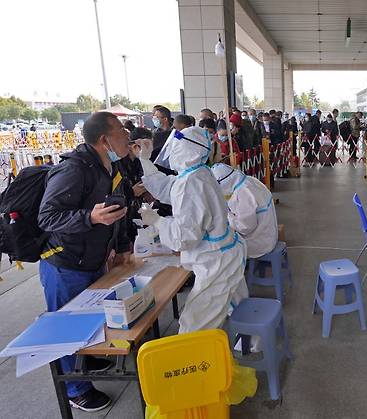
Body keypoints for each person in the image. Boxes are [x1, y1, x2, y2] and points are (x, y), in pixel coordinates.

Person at [38, 112, 132, 411]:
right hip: (64, 263)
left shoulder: (109, 167)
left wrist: (121, 247)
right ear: (104, 140)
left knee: (89, 318)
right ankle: (75, 388)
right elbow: (47, 217)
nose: (127, 134)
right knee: (67, 326)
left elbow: (116, 213)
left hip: (93, 258)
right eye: (120, 130)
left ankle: (86, 358)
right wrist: (89, 217)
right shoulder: (74, 169)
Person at [137, 126, 249, 333]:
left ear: (184, 149)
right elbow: (169, 187)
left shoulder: (192, 182)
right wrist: (145, 161)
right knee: (229, 305)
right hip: (225, 252)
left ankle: (207, 361)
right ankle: (245, 342)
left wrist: (158, 222)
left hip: (215, 261)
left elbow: (185, 237)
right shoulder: (197, 172)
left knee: (193, 325)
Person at [211, 163, 278, 258]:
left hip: (260, 243)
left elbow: (245, 227)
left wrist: (227, 216)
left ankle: (235, 270)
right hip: (268, 235)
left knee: (217, 248)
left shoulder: (243, 193)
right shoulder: (249, 181)